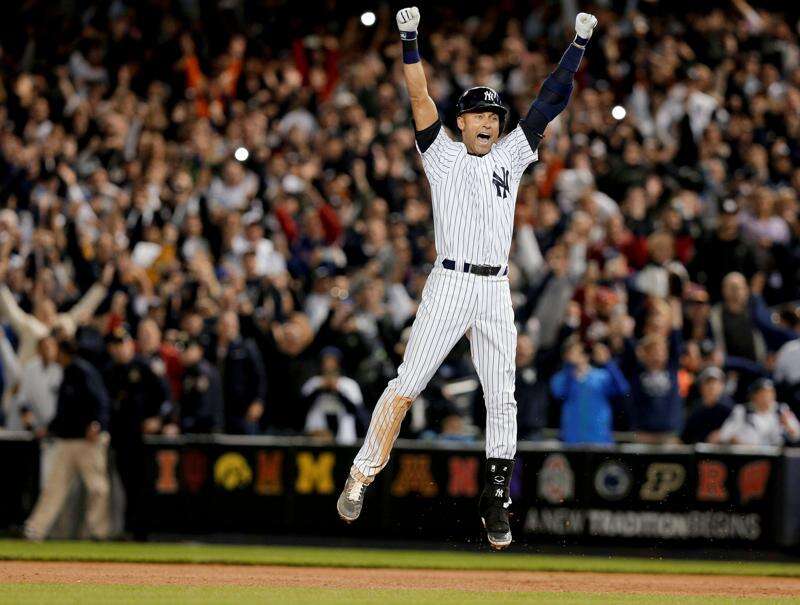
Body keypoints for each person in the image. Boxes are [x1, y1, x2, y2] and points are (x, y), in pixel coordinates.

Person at [337, 6, 598, 550]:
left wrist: (576, 45)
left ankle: (495, 502)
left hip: (495, 287)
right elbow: (419, 97)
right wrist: (409, 40)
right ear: (462, 121)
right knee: (407, 385)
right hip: (451, 283)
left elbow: (550, 99)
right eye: (479, 114)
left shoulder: (511, 154)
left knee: (503, 396)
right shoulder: (442, 157)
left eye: (495, 115)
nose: (489, 121)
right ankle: (362, 473)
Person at [23, 335, 111, 541]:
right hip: (67, 440)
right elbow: (64, 412)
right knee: (54, 488)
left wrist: (97, 424)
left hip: (88, 441)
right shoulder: (66, 372)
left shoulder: (83, 370)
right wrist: (50, 428)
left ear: (62, 352)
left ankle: (97, 532)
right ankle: (35, 529)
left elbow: (101, 401)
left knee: (97, 488)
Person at [104, 326, 172, 540]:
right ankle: (128, 529)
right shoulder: (110, 372)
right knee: (125, 486)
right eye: (115, 345)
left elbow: (167, 399)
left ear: (130, 344)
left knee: (143, 485)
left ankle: (144, 532)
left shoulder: (144, 367)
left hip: (144, 440)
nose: (119, 349)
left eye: (122, 344)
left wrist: (159, 420)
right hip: (121, 439)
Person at [550, 339, 630, 445]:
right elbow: (560, 394)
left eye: (580, 352)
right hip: (572, 438)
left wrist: (608, 362)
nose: (577, 356)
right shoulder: (560, 378)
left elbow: (623, 389)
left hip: (600, 437)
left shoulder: (601, 376)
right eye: (572, 353)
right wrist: (570, 367)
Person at [207, 311, 267, 434]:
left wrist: (258, 401)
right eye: (224, 324)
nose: (228, 328)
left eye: (231, 325)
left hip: (242, 409)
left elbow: (259, 376)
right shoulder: (210, 348)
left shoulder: (247, 347)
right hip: (218, 408)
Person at [302, 347, 366, 445]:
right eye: (326, 361)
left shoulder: (348, 384)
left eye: (332, 361)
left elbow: (357, 413)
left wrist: (338, 392)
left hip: (345, 437)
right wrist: (320, 389)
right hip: (317, 437)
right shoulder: (313, 383)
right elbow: (300, 410)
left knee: (346, 422)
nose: (329, 365)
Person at [711, 378, 800, 446]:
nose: (766, 397)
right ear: (754, 396)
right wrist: (736, 441)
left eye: (769, 393)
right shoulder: (742, 410)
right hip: (750, 457)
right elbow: (726, 434)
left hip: (776, 458)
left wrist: (788, 425)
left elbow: (796, 435)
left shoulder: (781, 409)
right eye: (762, 394)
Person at [177, 337, 224, 434]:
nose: (184, 354)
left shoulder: (203, 370)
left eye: (189, 350)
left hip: (205, 428)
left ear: (199, 351)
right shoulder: (189, 370)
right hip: (198, 425)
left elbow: (205, 405)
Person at [681, 367, 734, 444]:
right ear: (701, 387)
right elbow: (686, 436)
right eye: (708, 382)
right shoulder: (695, 409)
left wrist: (723, 434)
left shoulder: (729, 408)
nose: (712, 387)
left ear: (722, 386)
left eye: (715, 383)